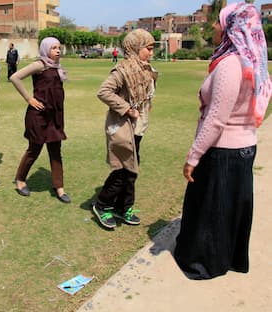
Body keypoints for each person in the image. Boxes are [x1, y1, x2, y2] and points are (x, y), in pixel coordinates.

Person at [174, 2, 271, 280]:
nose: (215, 27)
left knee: (210, 210)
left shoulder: (231, 63)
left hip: (223, 150)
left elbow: (216, 118)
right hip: (243, 147)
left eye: (219, 22)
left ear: (231, 27)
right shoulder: (252, 59)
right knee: (229, 208)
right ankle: (228, 257)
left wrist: (193, 157)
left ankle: (204, 264)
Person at [92, 29, 155, 229]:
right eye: (148, 48)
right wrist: (127, 109)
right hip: (123, 127)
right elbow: (104, 92)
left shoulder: (144, 68)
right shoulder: (123, 70)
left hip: (138, 129)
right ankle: (102, 205)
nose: (151, 53)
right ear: (136, 48)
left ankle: (123, 206)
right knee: (123, 171)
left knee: (131, 171)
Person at [9, 37, 71, 203]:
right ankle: (20, 180)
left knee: (55, 151)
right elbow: (15, 77)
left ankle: (59, 187)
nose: (58, 50)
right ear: (45, 49)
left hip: (55, 116)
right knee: (34, 150)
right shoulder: (40, 65)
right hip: (38, 116)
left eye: (59, 47)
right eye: (53, 48)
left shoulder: (57, 67)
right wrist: (29, 98)